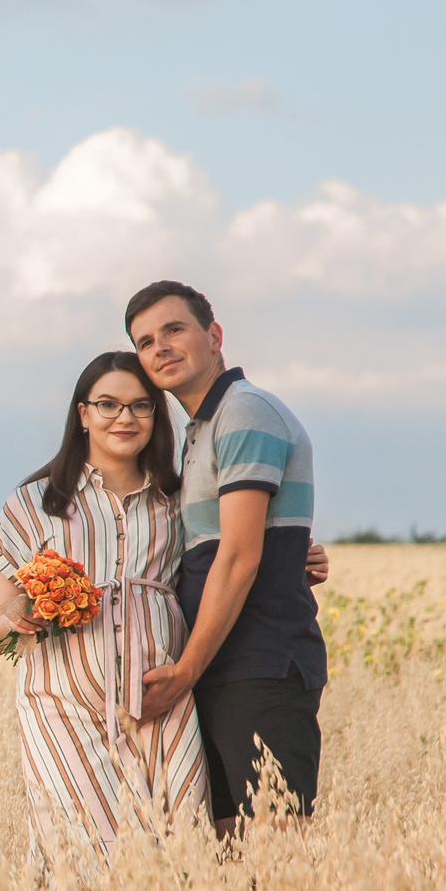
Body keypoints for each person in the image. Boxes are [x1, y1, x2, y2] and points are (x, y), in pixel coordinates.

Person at [0, 352, 323, 872]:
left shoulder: (178, 498)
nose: (125, 418)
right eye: (108, 405)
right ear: (82, 415)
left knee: (179, 843)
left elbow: (235, 547)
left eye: (141, 406)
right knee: (80, 853)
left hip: (162, 695)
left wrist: (299, 556)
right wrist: (17, 619)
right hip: (62, 703)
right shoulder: (33, 504)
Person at [126, 280, 327, 835]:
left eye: (173, 330)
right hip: (222, 665)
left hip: (259, 664)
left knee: (276, 847)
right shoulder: (200, 430)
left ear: (214, 336)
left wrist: (185, 670)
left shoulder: (244, 412)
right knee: (230, 850)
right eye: (145, 341)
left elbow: (238, 557)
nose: (160, 348)